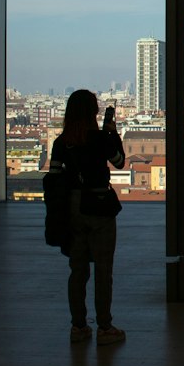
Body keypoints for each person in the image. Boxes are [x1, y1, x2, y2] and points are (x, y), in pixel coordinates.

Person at [47, 90, 126, 345]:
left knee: (77, 270)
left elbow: (54, 176)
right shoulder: (101, 138)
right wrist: (112, 132)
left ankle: (78, 326)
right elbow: (120, 162)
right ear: (94, 112)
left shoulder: (62, 142)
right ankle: (104, 327)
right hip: (100, 205)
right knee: (103, 270)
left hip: (73, 206)